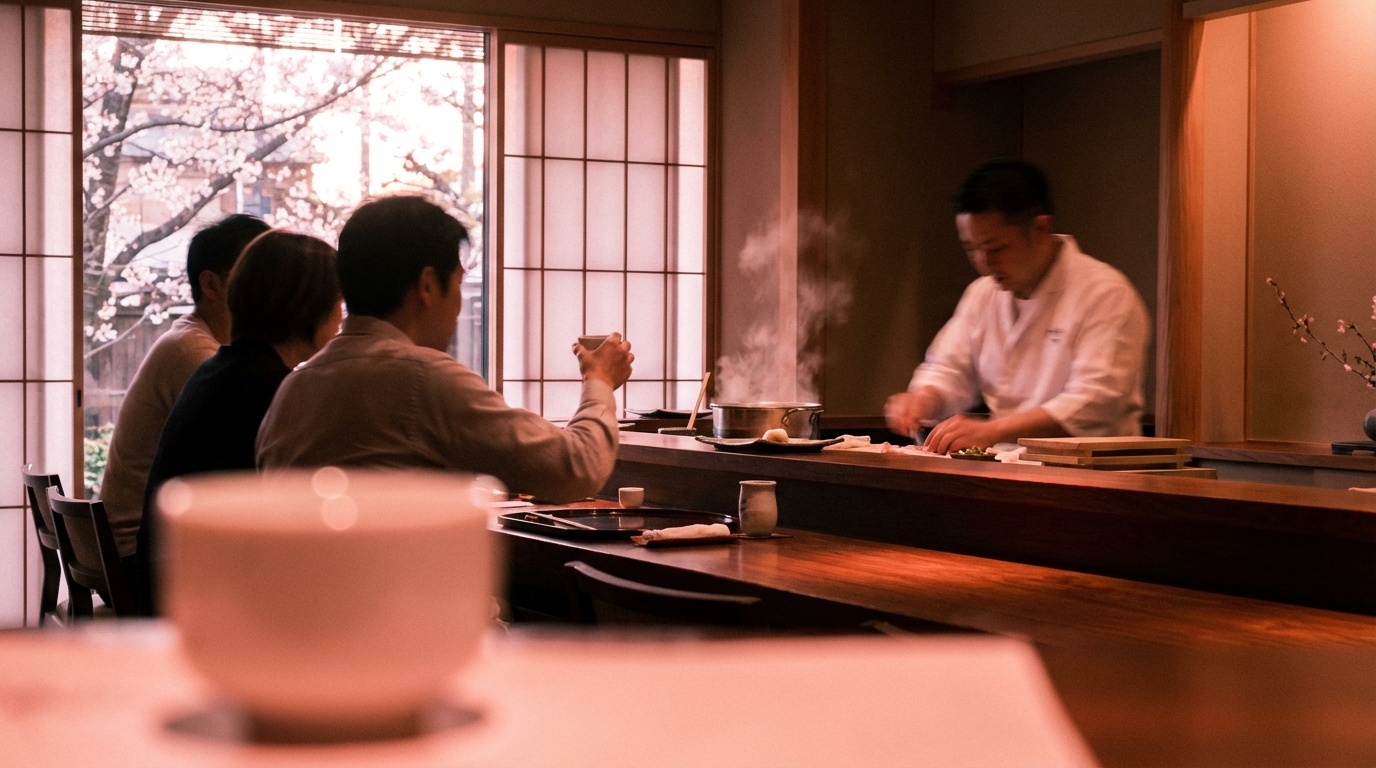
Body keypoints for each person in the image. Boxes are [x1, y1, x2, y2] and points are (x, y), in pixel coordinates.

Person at [256, 196, 634, 502]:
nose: (458, 307)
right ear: (427, 285)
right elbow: (575, 468)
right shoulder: (421, 378)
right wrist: (598, 381)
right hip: (397, 594)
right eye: (457, 283)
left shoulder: (295, 386)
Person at [136, 230, 343, 614]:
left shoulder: (221, 369)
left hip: (168, 584)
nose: (341, 318)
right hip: (199, 604)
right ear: (307, 308)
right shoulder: (270, 389)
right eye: (337, 304)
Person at [885, 158, 1150, 454]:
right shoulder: (981, 295)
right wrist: (922, 399)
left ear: (1041, 229)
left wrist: (993, 429)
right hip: (1009, 469)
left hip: (1097, 474)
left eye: (996, 248)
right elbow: (949, 368)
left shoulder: (1104, 293)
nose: (984, 263)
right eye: (971, 248)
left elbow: (1096, 402)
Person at [99, 213, 269, 585]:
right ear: (212, 284)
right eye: (256, 273)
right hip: (140, 556)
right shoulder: (196, 353)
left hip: (133, 546)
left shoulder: (194, 341)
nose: (270, 287)